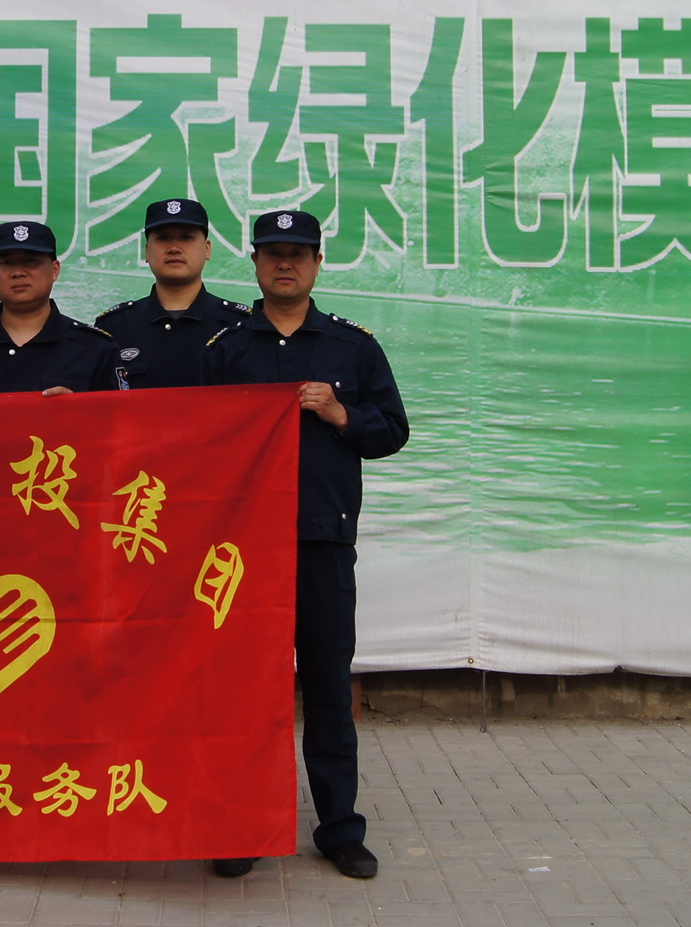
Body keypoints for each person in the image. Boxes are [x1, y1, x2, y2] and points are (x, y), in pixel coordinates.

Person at [203, 210, 409, 881]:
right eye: (272, 253)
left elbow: (392, 432)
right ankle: (242, 826)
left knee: (325, 686)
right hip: (244, 550)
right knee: (246, 693)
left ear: (318, 263)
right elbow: (195, 442)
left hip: (322, 541)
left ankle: (339, 829)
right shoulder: (227, 349)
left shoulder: (352, 347)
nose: (285, 264)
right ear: (255, 263)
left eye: (298, 253)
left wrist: (340, 413)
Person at [0, 220, 125, 397]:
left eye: (31, 262)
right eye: (6, 263)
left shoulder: (94, 349)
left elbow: (120, 420)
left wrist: (80, 410)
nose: (18, 272)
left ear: (55, 270)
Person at [95, 197, 249, 389]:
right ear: (147, 251)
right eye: (163, 238)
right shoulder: (114, 327)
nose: (174, 248)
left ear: (207, 249)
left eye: (186, 237)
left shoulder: (241, 326)